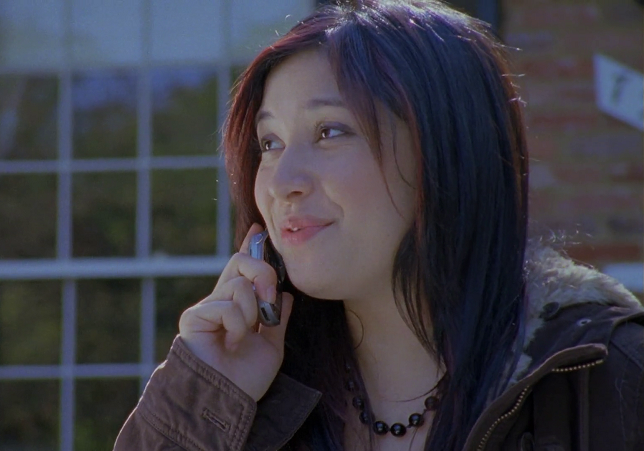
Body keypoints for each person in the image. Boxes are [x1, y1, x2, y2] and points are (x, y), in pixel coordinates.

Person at [114, 1, 644, 449]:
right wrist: (205, 399)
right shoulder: (250, 391)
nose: (281, 182)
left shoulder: (607, 378)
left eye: (330, 131)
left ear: (446, 153)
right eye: (269, 143)